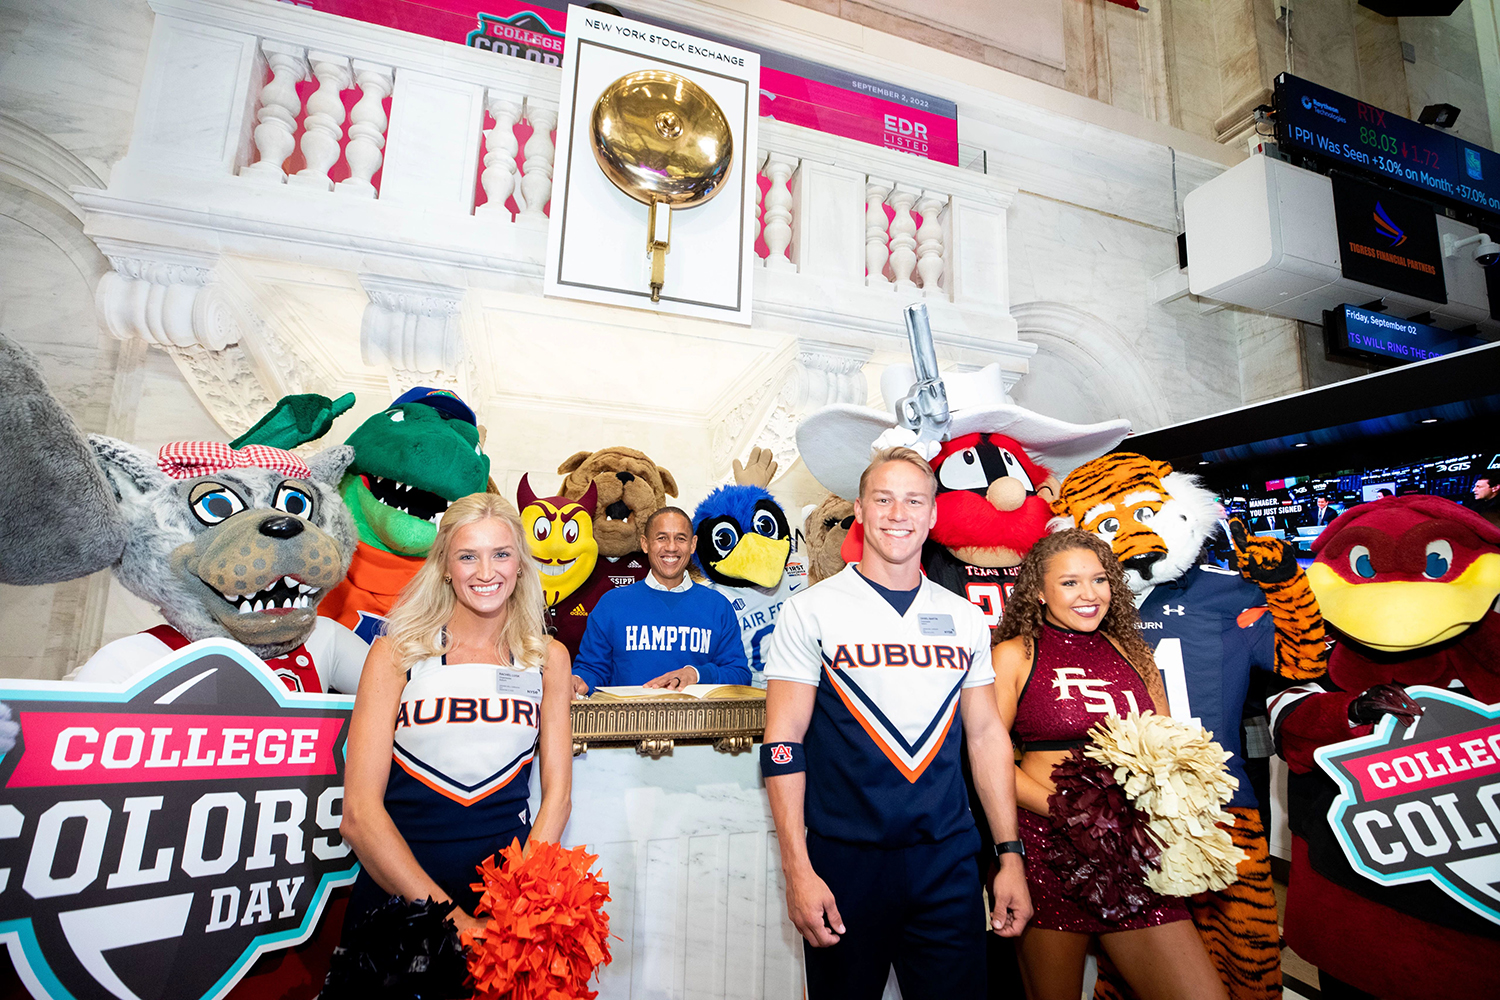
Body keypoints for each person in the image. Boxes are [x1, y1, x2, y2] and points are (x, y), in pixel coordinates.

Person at [760, 447, 1032, 999]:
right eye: (883, 499)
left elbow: (985, 738)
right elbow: (783, 742)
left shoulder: (964, 618)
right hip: (843, 862)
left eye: (914, 500)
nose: (897, 513)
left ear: (933, 515)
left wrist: (1009, 855)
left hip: (949, 860)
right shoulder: (810, 610)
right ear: (860, 509)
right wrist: (796, 866)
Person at [993, 529, 1228, 1000]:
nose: (1089, 595)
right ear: (1038, 591)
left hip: (1131, 855)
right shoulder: (1014, 654)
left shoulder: (1132, 651)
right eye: (1070, 583)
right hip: (1048, 850)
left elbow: (1167, 744)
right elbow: (986, 757)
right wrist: (1066, 810)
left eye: (1099, 580)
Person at [340, 493, 573, 936]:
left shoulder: (548, 658)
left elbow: (557, 797)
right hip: (401, 893)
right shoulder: (396, 653)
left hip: (505, 899)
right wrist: (456, 923)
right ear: (445, 567)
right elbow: (358, 814)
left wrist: (515, 904)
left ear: (520, 563)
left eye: (501, 554)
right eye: (468, 556)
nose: (486, 573)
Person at [570, 506, 751, 695]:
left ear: (693, 544)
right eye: (661, 538)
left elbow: (739, 674)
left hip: (696, 723)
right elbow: (591, 670)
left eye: (680, 538)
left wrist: (697, 674)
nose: (671, 547)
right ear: (645, 544)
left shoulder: (718, 606)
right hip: (627, 722)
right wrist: (579, 681)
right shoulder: (611, 604)